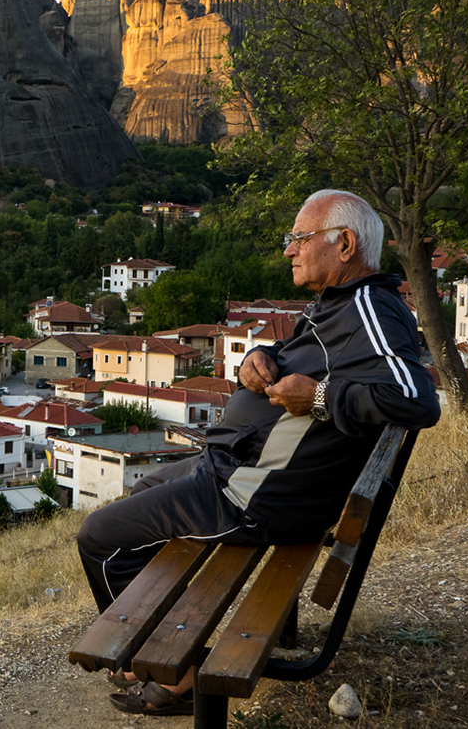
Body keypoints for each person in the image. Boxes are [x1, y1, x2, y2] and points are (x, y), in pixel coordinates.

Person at [76, 189, 440, 716]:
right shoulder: (341, 306)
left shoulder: (368, 310)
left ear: (345, 244)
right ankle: (164, 641)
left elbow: (416, 399)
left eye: (299, 238)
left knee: (99, 537)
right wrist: (259, 357)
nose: (289, 250)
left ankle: (167, 670)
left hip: (250, 496)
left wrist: (315, 399)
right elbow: (304, 357)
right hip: (236, 472)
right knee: (143, 491)